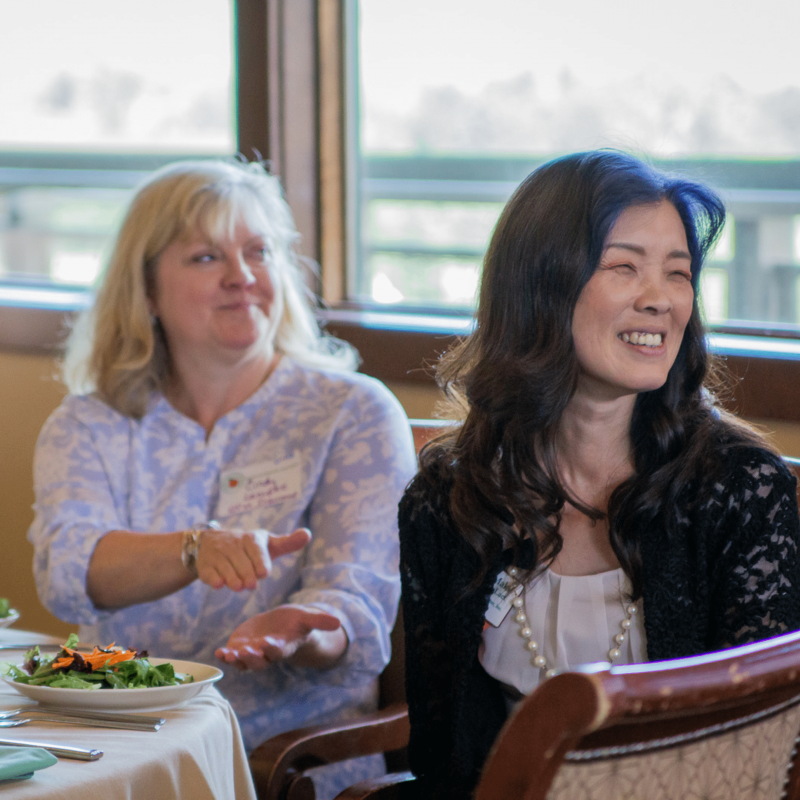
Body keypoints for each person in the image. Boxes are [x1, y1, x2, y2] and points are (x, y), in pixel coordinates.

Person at [398, 150, 800, 799]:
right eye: (625, 267)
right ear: (539, 287)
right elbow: (441, 753)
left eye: (679, 273)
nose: (661, 300)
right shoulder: (446, 495)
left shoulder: (742, 489)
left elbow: (759, 752)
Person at [28, 159, 417, 798]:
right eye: (207, 257)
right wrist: (194, 549)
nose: (242, 277)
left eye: (259, 252)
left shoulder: (351, 411)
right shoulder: (89, 423)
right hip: (121, 747)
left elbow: (358, 611)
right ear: (146, 288)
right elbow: (68, 573)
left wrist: (302, 627)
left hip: (284, 758)